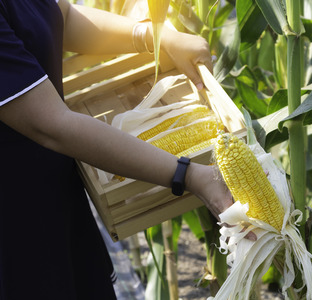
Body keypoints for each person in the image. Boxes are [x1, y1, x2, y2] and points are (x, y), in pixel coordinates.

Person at [0, 0, 233, 299]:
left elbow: (62, 15)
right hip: (17, 223)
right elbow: (51, 124)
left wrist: (155, 36)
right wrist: (189, 175)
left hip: (55, 195)